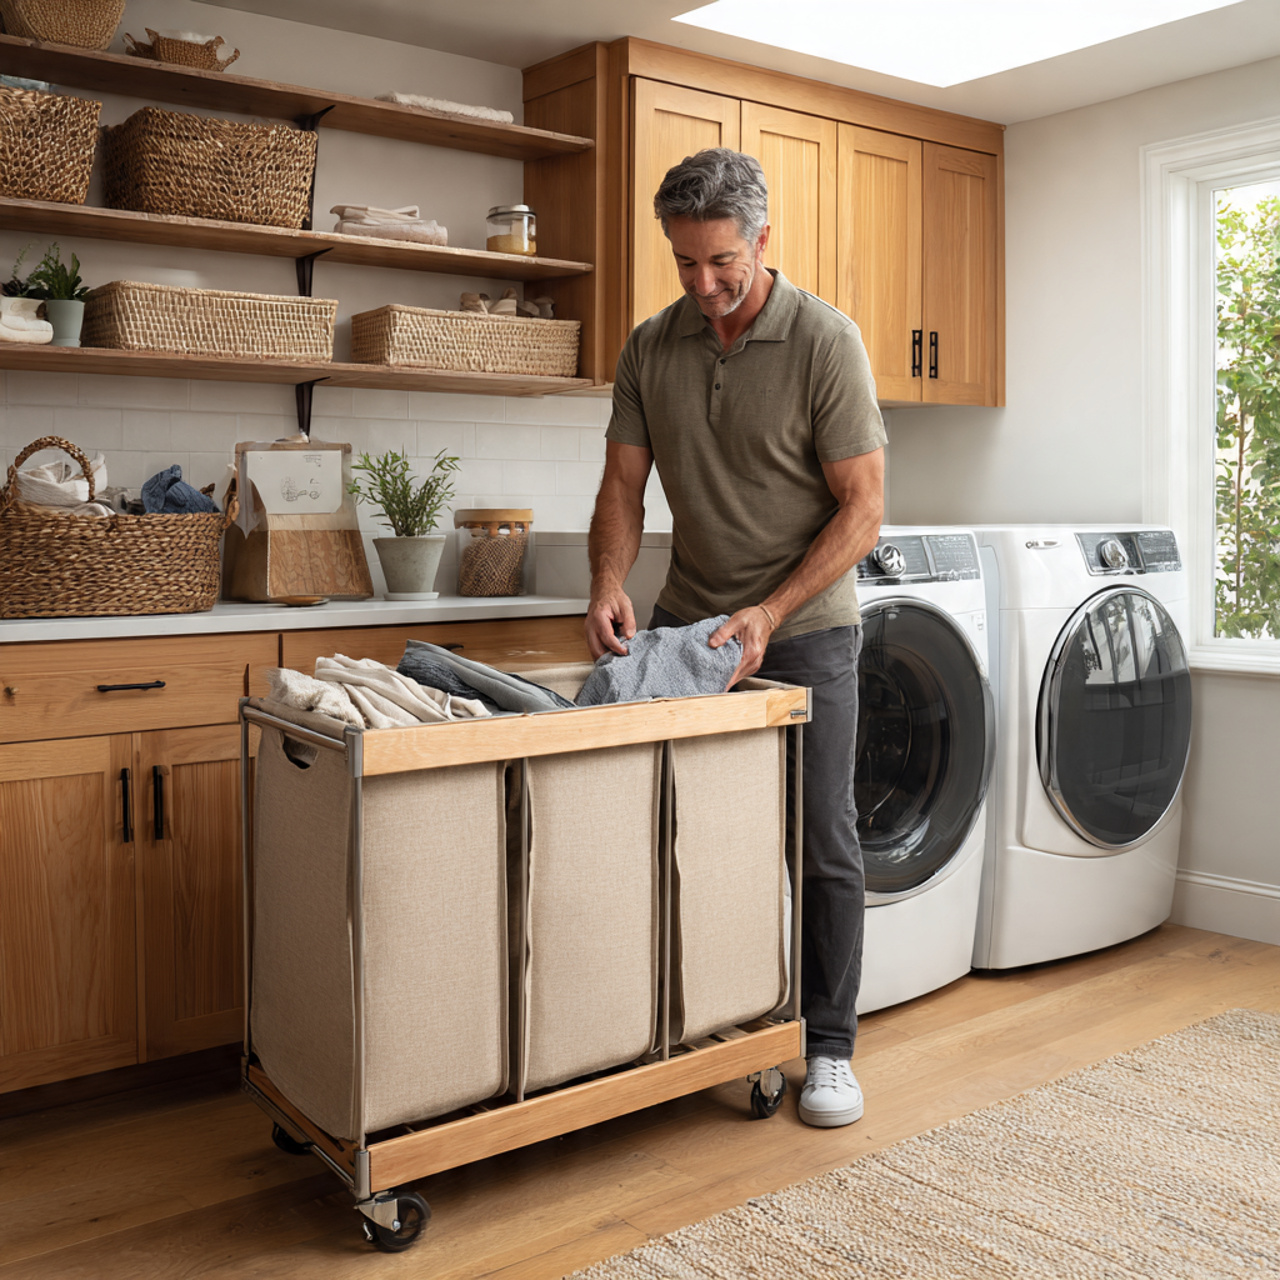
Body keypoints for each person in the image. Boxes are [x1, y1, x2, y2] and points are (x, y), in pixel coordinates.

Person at [585, 147, 886, 1128]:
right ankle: (706, 1021)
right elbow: (622, 487)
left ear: (761, 239)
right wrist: (605, 582)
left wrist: (771, 611)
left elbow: (862, 509)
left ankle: (829, 1042)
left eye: (721, 262)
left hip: (803, 632)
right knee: (682, 834)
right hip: (687, 630)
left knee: (820, 837)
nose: (703, 285)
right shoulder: (650, 346)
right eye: (683, 263)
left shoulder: (823, 342)